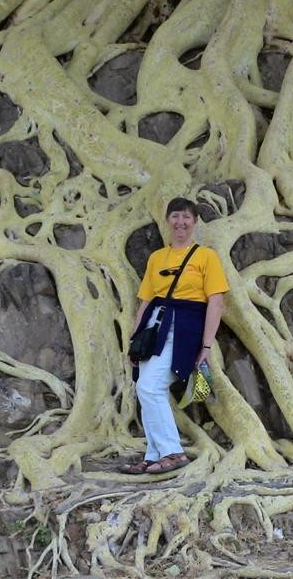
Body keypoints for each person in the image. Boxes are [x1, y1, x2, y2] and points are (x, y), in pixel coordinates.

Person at [121, 197, 229, 474]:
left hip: (184, 328)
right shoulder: (157, 258)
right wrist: (134, 340)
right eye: (175, 217)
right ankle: (153, 454)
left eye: (187, 218)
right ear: (167, 221)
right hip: (153, 327)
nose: (180, 223)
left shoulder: (206, 257)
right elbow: (146, 301)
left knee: (150, 387)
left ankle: (173, 452)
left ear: (195, 222)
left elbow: (216, 302)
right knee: (145, 387)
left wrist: (206, 344)